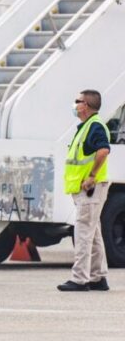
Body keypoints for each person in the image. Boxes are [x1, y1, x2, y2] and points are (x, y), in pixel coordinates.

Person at [59, 89, 112, 292]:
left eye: (78, 100)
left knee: (82, 233)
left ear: (86, 106)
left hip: (91, 188)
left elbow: (103, 150)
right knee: (94, 233)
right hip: (87, 190)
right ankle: (99, 277)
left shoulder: (95, 126)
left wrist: (91, 176)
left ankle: (80, 279)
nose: (75, 104)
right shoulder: (87, 126)